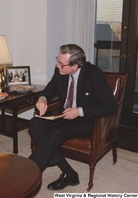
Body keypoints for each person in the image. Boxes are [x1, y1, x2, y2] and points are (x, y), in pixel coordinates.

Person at [28, 44, 117, 190]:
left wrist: (80, 111)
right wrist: (43, 98)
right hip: (64, 115)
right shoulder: (60, 71)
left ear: (75, 66)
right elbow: (50, 89)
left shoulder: (94, 74)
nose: (57, 66)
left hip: (88, 120)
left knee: (57, 133)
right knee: (34, 123)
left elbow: (110, 106)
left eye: (62, 64)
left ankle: (28, 173)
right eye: (58, 60)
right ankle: (69, 173)